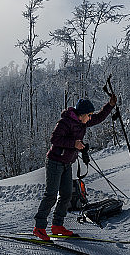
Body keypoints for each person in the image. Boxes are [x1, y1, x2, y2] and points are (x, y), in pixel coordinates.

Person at [33, 93, 117, 241]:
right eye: (89, 115)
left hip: (67, 163)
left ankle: (57, 226)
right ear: (82, 114)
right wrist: (74, 144)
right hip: (54, 162)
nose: (90, 117)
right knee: (51, 195)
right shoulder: (65, 122)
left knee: (66, 195)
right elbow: (54, 139)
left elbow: (98, 118)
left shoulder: (82, 123)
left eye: (90, 115)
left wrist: (109, 105)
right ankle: (39, 227)